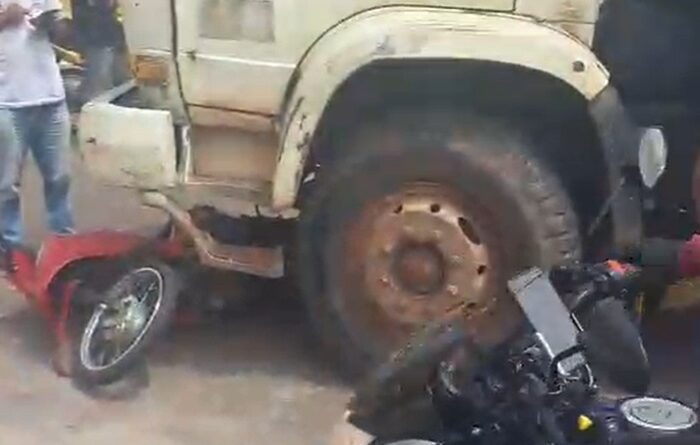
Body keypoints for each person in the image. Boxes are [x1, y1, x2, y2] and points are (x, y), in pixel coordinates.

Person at [0, 1, 74, 247]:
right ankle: (10, 250)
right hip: (7, 102)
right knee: (7, 184)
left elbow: (64, 35)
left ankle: (64, 241)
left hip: (51, 97)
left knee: (60, 177)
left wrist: (54, 25)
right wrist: (6, 18)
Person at [71, 0, 127, 104]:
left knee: (117, 78)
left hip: (107, 35)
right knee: (100, 80)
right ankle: (90, 102)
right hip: (98, 37)